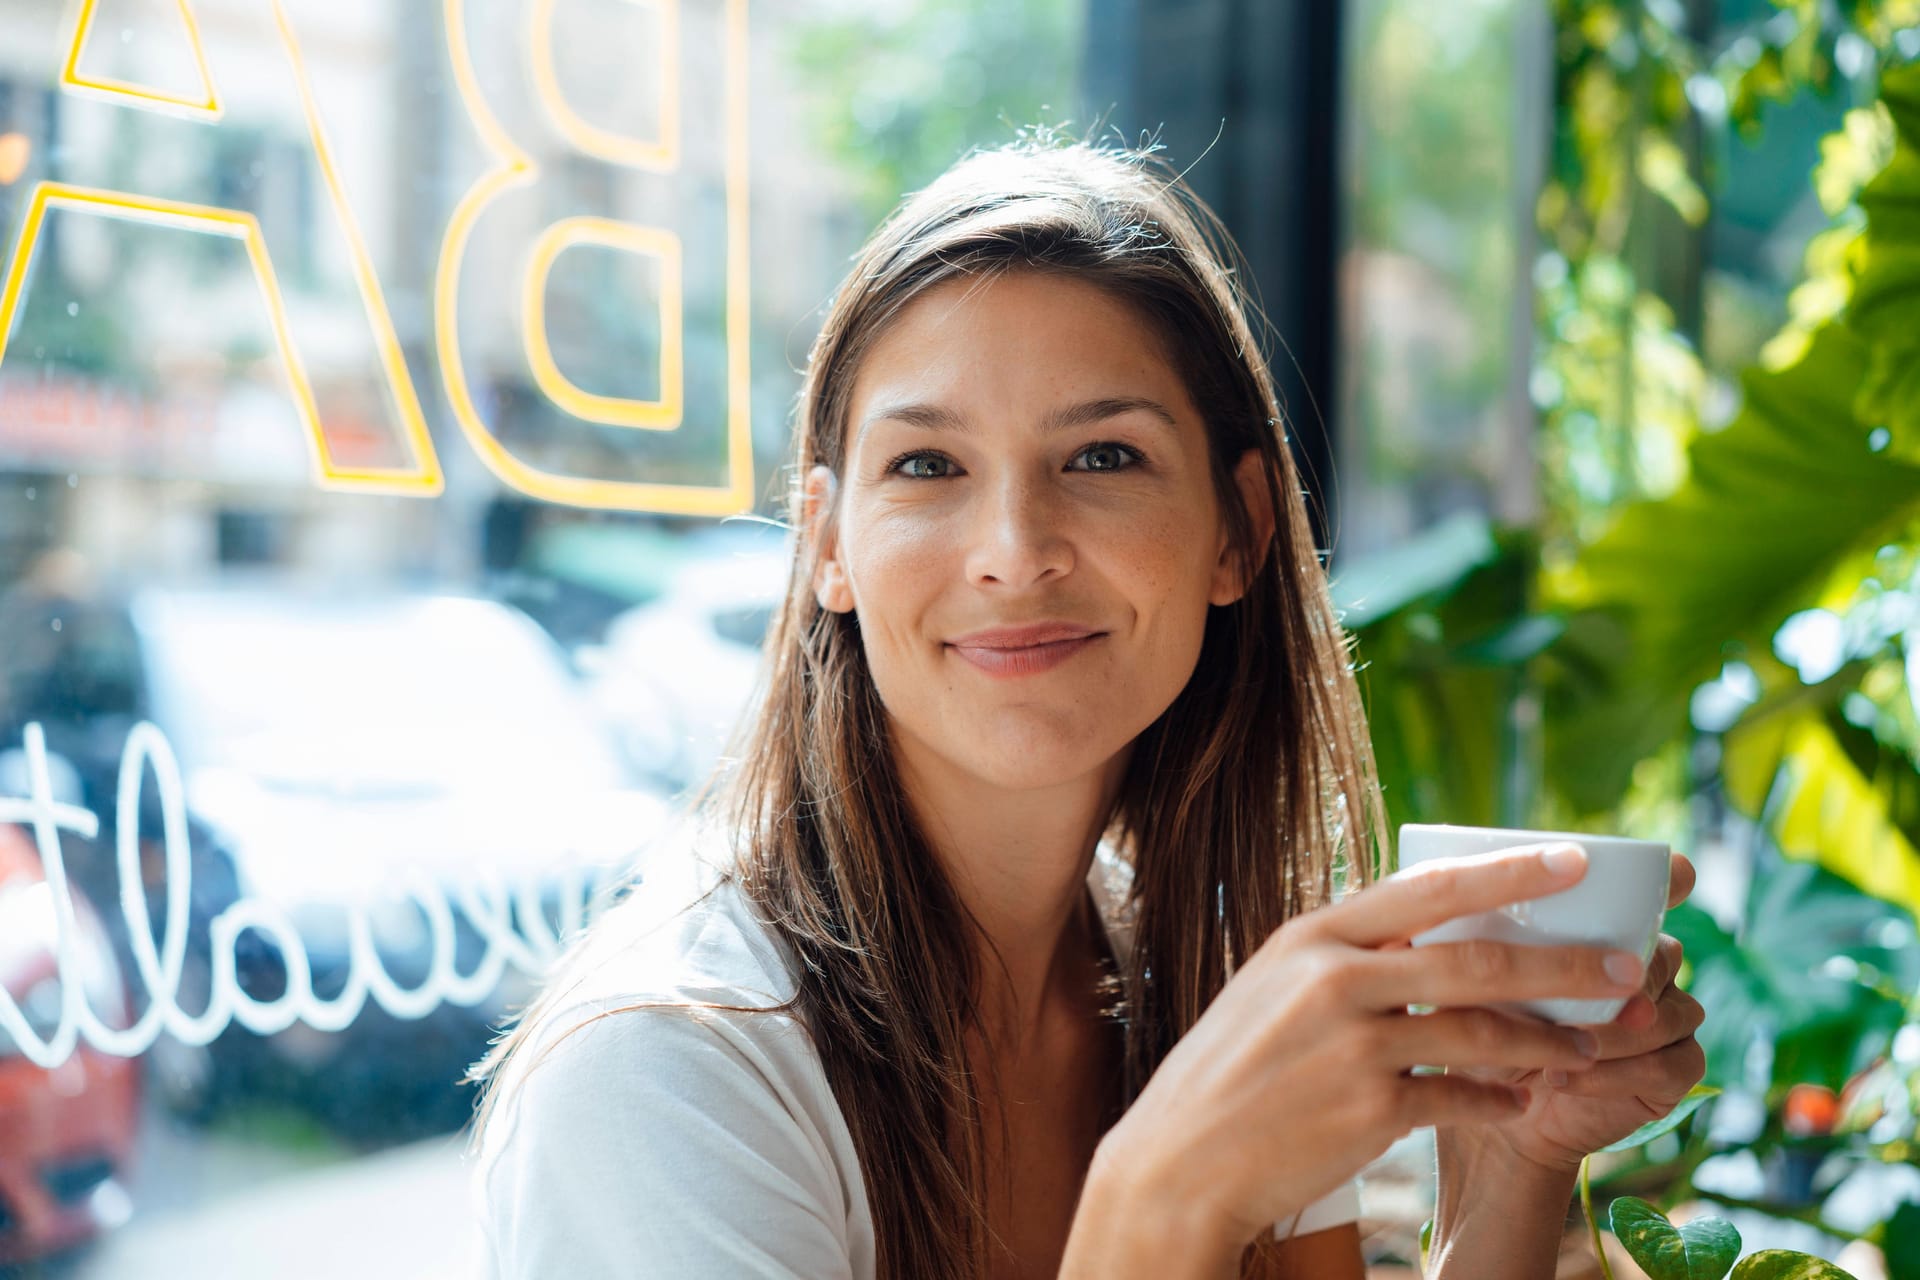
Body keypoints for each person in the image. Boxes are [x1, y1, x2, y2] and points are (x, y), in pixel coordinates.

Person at [468, 138, 1706, 1279]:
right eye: (927, 465)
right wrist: (1156, 1203)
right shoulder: (670, 1069)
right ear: (828, 547)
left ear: (1241, 531)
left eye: (1103, 457)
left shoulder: (1208, 987)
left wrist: (1513, 1165)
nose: (1014, 549)